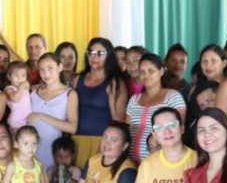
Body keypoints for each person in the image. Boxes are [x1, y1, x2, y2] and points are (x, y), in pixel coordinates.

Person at [72, 38, 128, 168]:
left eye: (100, 53)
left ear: (109, 56)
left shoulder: (116, 83)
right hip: (77, 140)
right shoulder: (77, 79)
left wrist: (111, 101)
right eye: (91, 53)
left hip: (103, 143)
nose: (94, 57)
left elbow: (119, 123)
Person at [125, 53, 187, 164]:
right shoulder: (134, 99)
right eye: (142, 72)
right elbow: (126, 130)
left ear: (161, 71)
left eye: (151, 71)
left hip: (160, 162)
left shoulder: (173, 97)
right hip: (131, 162)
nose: (146, 75)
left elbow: (178, 130)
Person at [29, 52, 78, 170]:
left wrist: (42, 116)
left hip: (54, 150)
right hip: (30, 148)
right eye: (42, 70)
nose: (46, 74)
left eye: (50, 68)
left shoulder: (69, 94)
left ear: (60, 67)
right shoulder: (34, 92)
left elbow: (72, 127)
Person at [4, 61, 33, 136]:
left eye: (23, 75)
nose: (20, 79)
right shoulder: (9, 89)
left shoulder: (24, 88)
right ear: (9, 77)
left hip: (27, 121)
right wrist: (21, 87)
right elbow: (15, 99)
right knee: (16, 141)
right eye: (16, 75)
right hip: (16, 122)